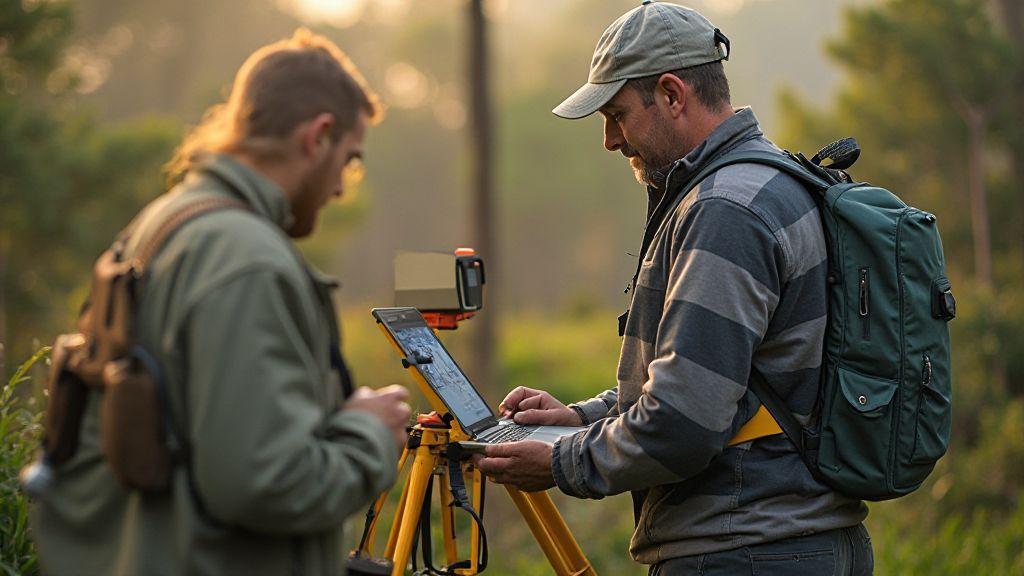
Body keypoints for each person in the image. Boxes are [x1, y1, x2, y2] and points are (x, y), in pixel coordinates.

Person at [475, 2, 874, 574]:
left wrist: (559, 462)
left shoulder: (724, 210)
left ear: (671, 94)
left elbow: (682, 426)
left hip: (747, 553)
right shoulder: (768, 184)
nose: (610, 141)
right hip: (793, 544)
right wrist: (582, 418)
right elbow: (730, 385)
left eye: (616, 114)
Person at [32, 29, 411, 576]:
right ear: (318, 136)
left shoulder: (164, 221)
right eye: (350, 160)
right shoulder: (247, 261)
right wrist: (369, 432)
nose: (340, 188)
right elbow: (266, 483)